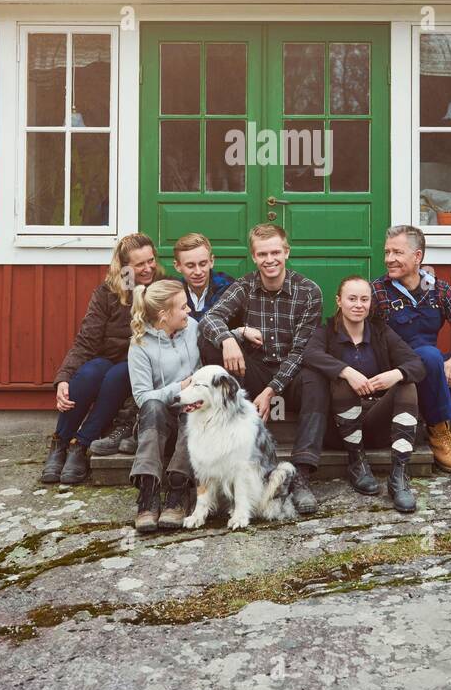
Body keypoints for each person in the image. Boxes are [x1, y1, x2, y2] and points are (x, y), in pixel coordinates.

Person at [198, 224, 326, 515]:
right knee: (210, 344)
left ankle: (301, 473)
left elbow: (301, 351)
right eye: (262, 254)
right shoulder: (244, 286)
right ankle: (225, 442)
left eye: (275, 252)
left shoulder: (308, 292)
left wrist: (271, 391)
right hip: (252, 374)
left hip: (289, 376)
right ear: (254, 257)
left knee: (316, 376)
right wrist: (230, 337)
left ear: (286, 252)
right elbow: (210, 319)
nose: (270, 260)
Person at [370, 225, 451, 474]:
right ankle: (438, 433)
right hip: (398, 376)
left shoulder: (438, 290)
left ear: (417, 256)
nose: (389, 259)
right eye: (387, 252)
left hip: (431, 370)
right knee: (429, 355)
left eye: (397, 252)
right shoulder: (377, 292)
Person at [41, 233, 163, 485]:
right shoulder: (108, 293)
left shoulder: (163, 287)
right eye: (140, 264)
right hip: (107, 359)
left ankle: (80, 443)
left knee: (117, 374)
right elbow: (86, 339)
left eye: (151, 260)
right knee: (90, 372)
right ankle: (60, 442)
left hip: (143, 363)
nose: (148, 267)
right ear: (125, 267)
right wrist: (63, 378)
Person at [303, 276, 427, 513]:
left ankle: (399, 476)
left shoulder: (380, 332)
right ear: (338, 301)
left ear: (371, 303)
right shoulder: (326, 332)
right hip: (339, 428)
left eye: (364, 299)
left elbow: (417, 364)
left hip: (375, 420)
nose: (358, 305)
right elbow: (310, 355)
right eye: (352, 299)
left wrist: (396, 374)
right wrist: (347, 371)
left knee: (406, 384)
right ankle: (356, 462)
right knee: (341, 381)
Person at [127, 279, 200, 534]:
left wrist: (237, 334)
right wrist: (180, 387)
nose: (189, 311)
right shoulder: (139, 344)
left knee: (194, 412)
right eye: (183, 307)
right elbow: (142, 398)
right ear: (163, 315)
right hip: (156, 427)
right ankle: (148, 493)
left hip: (189, 421)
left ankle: (178, 490)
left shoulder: (193, 328)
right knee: (153, 405)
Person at [172, 232, 235, 321]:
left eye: (202, 264)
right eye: (190, 266)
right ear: (177, 266)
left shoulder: (227, 287)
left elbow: (209, 322)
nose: (198, 272)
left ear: (211, 261)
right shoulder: (173, 293)